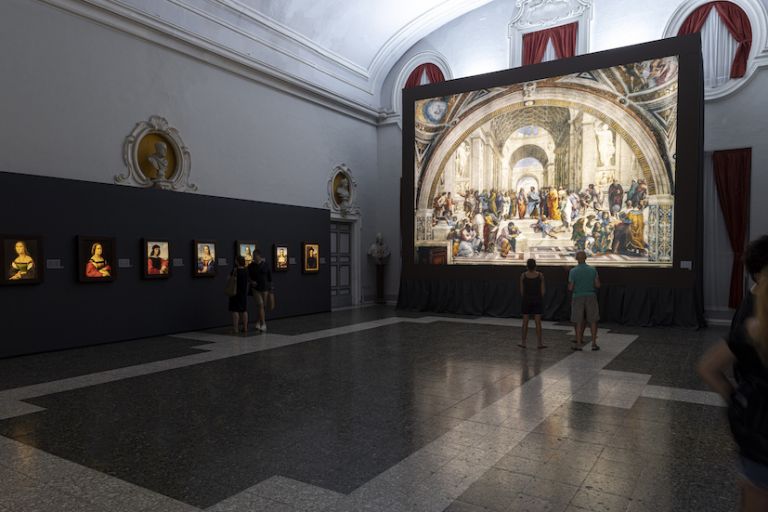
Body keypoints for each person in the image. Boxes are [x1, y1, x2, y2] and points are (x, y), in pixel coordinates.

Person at [698, 235, 768, 512]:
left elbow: (708, 368)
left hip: (756, 430)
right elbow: (708, 367)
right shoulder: (753, 324)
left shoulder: (750, 317)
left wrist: (739, 400)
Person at [568, 251, 600, 350]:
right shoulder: (593, 270)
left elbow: (570, 287)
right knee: (593, 320)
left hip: (577, 296)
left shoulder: (573, 271)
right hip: (591, 296)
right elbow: (598, 285)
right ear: (586, 258)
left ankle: (578, 344)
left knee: (578, 320)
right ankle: (594, 343)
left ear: (576, 259)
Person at [519, 259, 546, 349]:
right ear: (535, 266)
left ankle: (523, 342)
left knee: (525, 322)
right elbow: (543, 291)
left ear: (527, 266)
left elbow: (522, 291)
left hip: (526, 300)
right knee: (538, 322)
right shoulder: (540, 275)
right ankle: (539, 343)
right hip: (537, 300)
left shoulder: (523, 276)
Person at [248, 249, 273, 332]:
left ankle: (258, 322)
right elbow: (248, 277)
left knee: (263, 306)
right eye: (253, 256)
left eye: (255, 256)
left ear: (259, 256)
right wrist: (251, 282)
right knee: (261, 305)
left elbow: (269, 277)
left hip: (265, 288)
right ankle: (263, 324)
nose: (253, 257)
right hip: (255, 289)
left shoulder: (266, 265)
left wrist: (271, 288)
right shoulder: (250, 266)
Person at [228, 256, 249, 334]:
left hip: (235, 292)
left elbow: (229, 279)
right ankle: (245, 327)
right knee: (244, 310)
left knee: (235, 310)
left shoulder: (235, 270)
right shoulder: (246, 270)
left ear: (237, 262)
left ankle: (235, 329)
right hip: (243, 292)